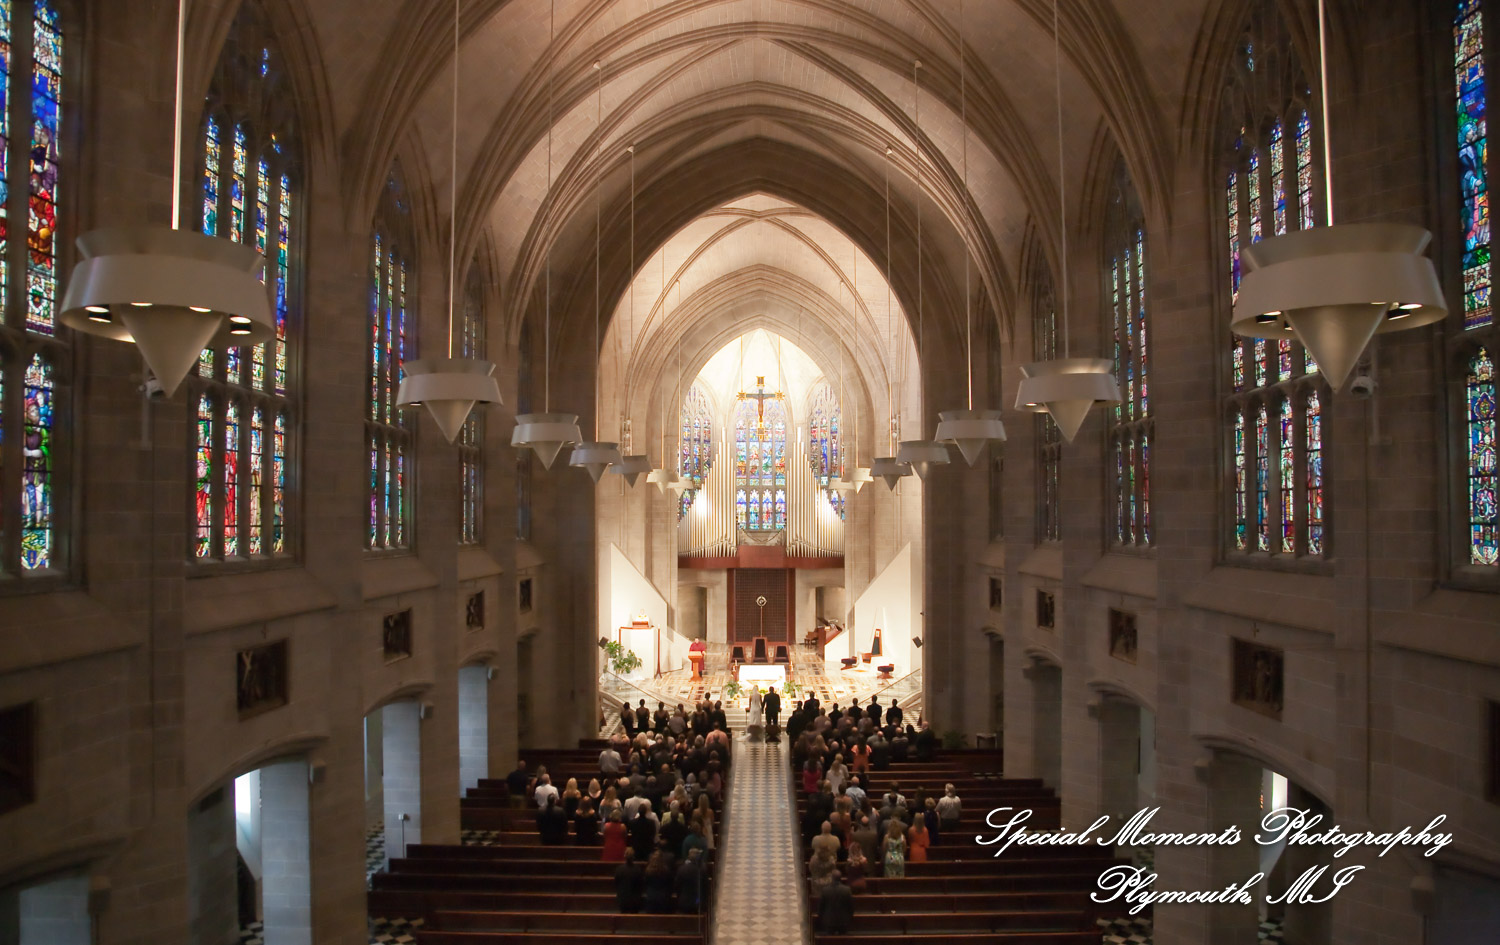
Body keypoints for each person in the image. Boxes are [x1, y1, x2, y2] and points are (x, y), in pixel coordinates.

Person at [816, 870, 855, 935]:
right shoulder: (847, 890)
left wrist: (822, 918)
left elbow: (820, 907)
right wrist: (849, 918)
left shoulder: (825, 890)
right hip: (843, 921)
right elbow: (851, 907)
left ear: (832, 878)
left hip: (829, 921)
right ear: (840, 878)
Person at [643, 849, 676, 913]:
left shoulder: (648, 871)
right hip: (663, 897)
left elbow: (646, 883)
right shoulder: (666, 870)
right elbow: (670, 884)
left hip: (651, 896)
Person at [675, 847, 704, 914]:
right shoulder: (701, 870)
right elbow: (704, 887)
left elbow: (677, 885)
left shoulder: (682, 869)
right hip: (697, 900)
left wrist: (679, 896)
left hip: (684, 900)